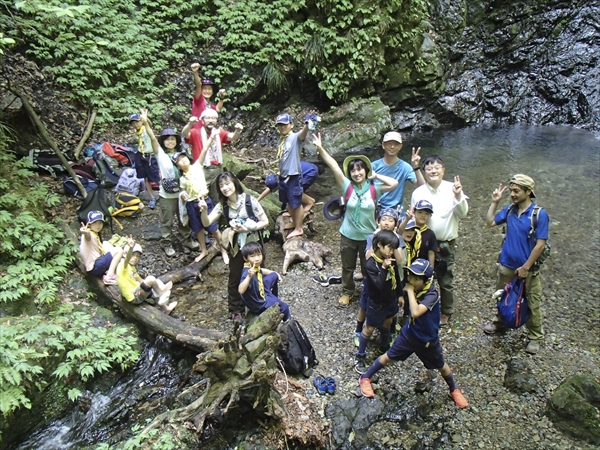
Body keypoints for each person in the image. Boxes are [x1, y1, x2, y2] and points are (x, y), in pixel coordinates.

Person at [357, 259, 468, 409]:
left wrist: (408, 291)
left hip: (428, 339)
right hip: (409, 335)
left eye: (417, 278)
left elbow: (416, 312)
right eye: (411, 276)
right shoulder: (412, 287)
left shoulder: (431, 294)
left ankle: (454, 389)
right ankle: (365, 378)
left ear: (426, 280)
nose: (412, 281)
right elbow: (391, 285)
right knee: (388, 357)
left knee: (441, 366)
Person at [313, 133, 398, 307]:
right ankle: (347, 291)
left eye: (360, 169)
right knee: (347, 267)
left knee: (369, 267)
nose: (357, 173)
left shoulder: (374, 189)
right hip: (348, 235)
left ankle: (369, 291)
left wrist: (377, 175)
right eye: (353, 170)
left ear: (366, 170)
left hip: (368, 236)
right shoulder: (347, 187)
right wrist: (321, 149)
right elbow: (334, 166)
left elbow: (394, 183)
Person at [484, 174, 549, 354]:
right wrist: (495, 202)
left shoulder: (539, 215)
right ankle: (500, 323)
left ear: (528, 192)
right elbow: (489, 222)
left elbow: (540, 244)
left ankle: (535, 337)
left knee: (531, 301)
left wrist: (526, 267)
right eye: (511, 190)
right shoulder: (510, 210)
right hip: (506, 264)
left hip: (527, 269)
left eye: (516, 191)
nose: (512, 194)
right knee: (502, 297)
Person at [199, 172, 269, 323]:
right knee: (235, 277)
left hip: (254, 245)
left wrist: (248, 228)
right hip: (236, 247)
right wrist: (204, 210)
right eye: (221, 185)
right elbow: (206, 223)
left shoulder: (250, 201)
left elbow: (265, 221)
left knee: (258, 273)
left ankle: (259, 303)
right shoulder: (222, 206)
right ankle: (236, 310)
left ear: (235, 183)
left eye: (227, 183)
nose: (225, 188)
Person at [411, 155, 468, 326]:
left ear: (443, 170)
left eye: (437, 167)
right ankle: (423, 306)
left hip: (445, 243)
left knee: (445, 278)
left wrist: (458, 196)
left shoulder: (453, 188)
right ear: (424, 172)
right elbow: (414, 218)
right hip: (423, 241)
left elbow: (463, 214)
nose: (433, 170)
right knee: (422, 276)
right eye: (429, 168)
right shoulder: (418, 192)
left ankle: (446, 311)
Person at [139, 109, 199, 257]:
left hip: (182, 193)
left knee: (184, 217)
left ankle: (185, 239)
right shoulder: (161, 154)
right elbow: (153, 138)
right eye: (167, 139)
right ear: (163, 142)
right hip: (166, 194)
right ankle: (166, 243)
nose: (170, 141)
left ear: (177, 141)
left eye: (173, 139)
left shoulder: (182, 154)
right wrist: (146, 122)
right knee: (167, 220)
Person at [354, 230, 404, 373]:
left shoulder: (390, 259)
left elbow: (397, 279)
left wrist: (400, 295)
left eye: (394, 248)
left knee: (387, 323)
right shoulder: (370, 264)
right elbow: (378, 284)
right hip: (376, 302)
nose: (391, 251)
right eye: (389, 248)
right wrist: (384, 268)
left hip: (390, 300)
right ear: (380, 245)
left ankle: (384, 346)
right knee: (369, 328)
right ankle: (361, 355)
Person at [173, 138, 229, 264]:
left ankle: (223, 250)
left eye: (184, 157)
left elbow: (204, 150)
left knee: (213, 228)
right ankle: (203, 250)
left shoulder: (197, 166)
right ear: (178, 166)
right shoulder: (182, 178)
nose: (183, 160)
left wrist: (212, 137)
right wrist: (183, 195)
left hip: (205, 200)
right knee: (198, 229)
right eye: (179, 161)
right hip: (192, 204)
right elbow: (182, 190)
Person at [354, 208, 405, 346]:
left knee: (390, 311)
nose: (386, 223)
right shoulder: (372, 237)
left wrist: (394, 243)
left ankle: (388, 335)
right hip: (373, 279)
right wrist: (376, 239)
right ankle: (359, 330)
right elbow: (367, 257)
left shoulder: (397, 239)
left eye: (390, 220)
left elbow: (399, 261)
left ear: (396, 223)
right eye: (383, 219)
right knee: (365, 305)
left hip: (390, 282)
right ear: (378, 221)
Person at [181, 111, 243, 202]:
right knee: (200, 195)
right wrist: (190, 124)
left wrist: (238, 131)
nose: (211, 120)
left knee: (218, 196)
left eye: (213, 118)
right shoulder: (195, 132)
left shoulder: (219, 133)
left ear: (216, 121)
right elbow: (184, 134)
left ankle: (218, 214)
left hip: (217, 169)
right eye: (208, 118)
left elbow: (232, 137)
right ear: (202, 120)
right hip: (201, 169)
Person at [116, 238, 178, 314]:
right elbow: (126, 259)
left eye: (138, 256)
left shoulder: (131, 267)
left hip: (136, 292)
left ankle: (166, 308)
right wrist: (131, 248)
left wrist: (150, 286)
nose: (135, 258)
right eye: (133, 255)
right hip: (134, 297)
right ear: (125, 254)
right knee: (151, 279)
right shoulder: (123, 265)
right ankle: (161, 291)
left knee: (153, 284)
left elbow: (138, 279)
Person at [371, 131, 425, 215]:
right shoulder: (373, 166)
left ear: (400, 147)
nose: (392, 147)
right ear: (383, 145)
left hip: (398, 211)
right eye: (389, 143)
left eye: (396, 144)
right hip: (377, 210)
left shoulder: (405, 167)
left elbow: (422, 186)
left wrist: (416, 167)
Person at [274, 113, 310, 239]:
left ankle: (299, 228)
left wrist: (307, 124)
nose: (282, 127)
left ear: (291, 125)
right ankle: (294, 222)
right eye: (280, 125)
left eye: (284, 124)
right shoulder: (281, 140)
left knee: (296, 202)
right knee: (289, 201)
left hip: (293, 176)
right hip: (284, 175)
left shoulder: (295, 137)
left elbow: (302, 134)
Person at [238, 242, 290, 321]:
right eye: (252, 256)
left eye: (259, 255)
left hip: (260, 290)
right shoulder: (247, 272)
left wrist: (274, 273)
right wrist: (249, 277)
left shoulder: (254, 266)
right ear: (245, 258)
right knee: (285, 307)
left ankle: (274, 299)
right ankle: (288, 322)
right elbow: (241, 290)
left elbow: (261, 270)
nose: (257, 259)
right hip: (259, 303)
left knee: (273, 275)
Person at [79, 211, 124, 285]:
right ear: (89, 224)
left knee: (106, 244)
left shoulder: (95, 234)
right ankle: (109, 277)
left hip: (96, 264)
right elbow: (88, 237)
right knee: (119, 250)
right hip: (94, 267)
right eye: (95, 223)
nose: (98, 225)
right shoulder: (89, 234)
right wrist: (85, 232)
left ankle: (110, 272)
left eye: (100, 222)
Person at [129, 113, 159, 209]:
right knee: (145, 178)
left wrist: (145, 118)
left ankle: (165, 193)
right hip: (140, 155)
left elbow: (149, 124)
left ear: (141, 121)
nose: (135, 125)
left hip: (150, 156)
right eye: (133, 123)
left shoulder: (146, 129)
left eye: (137, 122)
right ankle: (152, 197)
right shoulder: (137, 132)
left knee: (155, 177)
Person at [398, 200, 437, 267]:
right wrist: (407, 219)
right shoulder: (407, 228)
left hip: (422, 267)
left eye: (427, 214)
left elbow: (431, 253)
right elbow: (400, 232)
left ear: (430, 216)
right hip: (405, 265)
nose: (423, 215)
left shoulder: (430, 234)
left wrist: (431, 270)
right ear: (414, 212)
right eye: (420, 212)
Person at [190, 63, 225, 128]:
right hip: (197, 131)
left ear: (212, 92)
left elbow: (217, 109)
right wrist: (195, 72)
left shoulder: (209, 105)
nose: (207, 91)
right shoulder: (199, 100)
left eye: (209, 89)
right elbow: (198, 85)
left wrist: (222, 97)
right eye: (205, 89)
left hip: (206, 133)